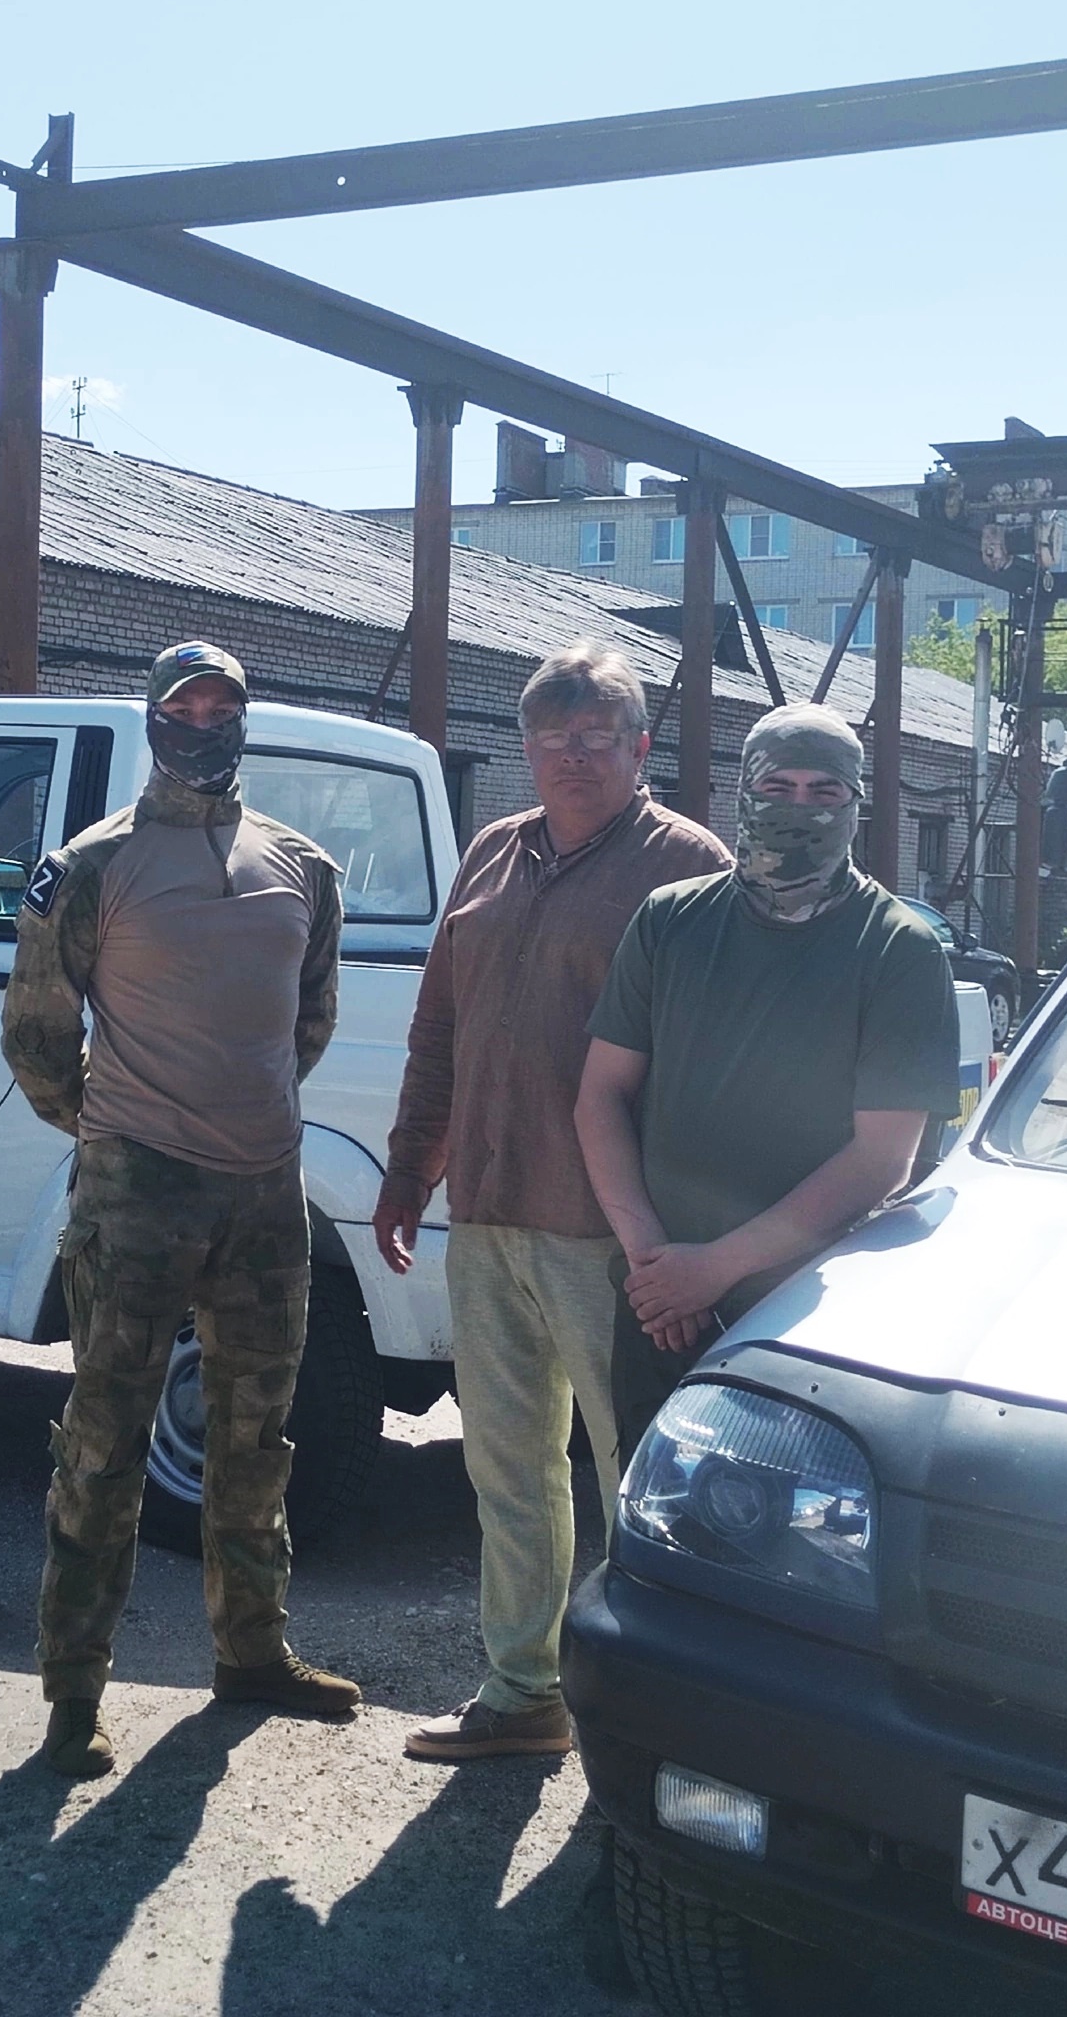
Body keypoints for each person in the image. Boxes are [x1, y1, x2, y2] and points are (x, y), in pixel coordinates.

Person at [2, 640, 359, 1781]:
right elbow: (37, 1033)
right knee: (105, 1442)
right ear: (154, 720)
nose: (204, 725)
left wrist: (244, 1115)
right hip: (137, 1192)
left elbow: (308, 1022)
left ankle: (252, 1653)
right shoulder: (92, 865)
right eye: (184, 709)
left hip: (265, 1192)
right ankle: (73, 1696)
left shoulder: (303, 868)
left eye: (222, 709)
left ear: (244, 720)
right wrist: (116, 1133)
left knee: (254, 1436)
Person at [373, 643, 730, 1761]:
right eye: (551, 737)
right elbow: (440, 1025)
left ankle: (655, 1724)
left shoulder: (689, 866)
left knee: (639, 1477)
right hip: (487, 1209)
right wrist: (410, 1165)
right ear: (524, 748)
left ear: (640, 747)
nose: (573, 756)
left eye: (596, 737)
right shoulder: (493, 850)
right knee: (509, 1467)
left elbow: (714, 1069)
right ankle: (523, 1693)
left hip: (612, 1234)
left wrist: (685, 1239)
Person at [574, 702, 962, 1462]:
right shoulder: (670, 921)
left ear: (856, 804)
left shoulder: (899, 950)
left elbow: (881, 1158)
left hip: (808, 1316)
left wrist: (714, 1270)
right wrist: (657, 1265)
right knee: (649, 1511)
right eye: (778, 787)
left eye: (824, 792)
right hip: (660, 1306)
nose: (798, 808)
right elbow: (600, 1097)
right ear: (743, 793)